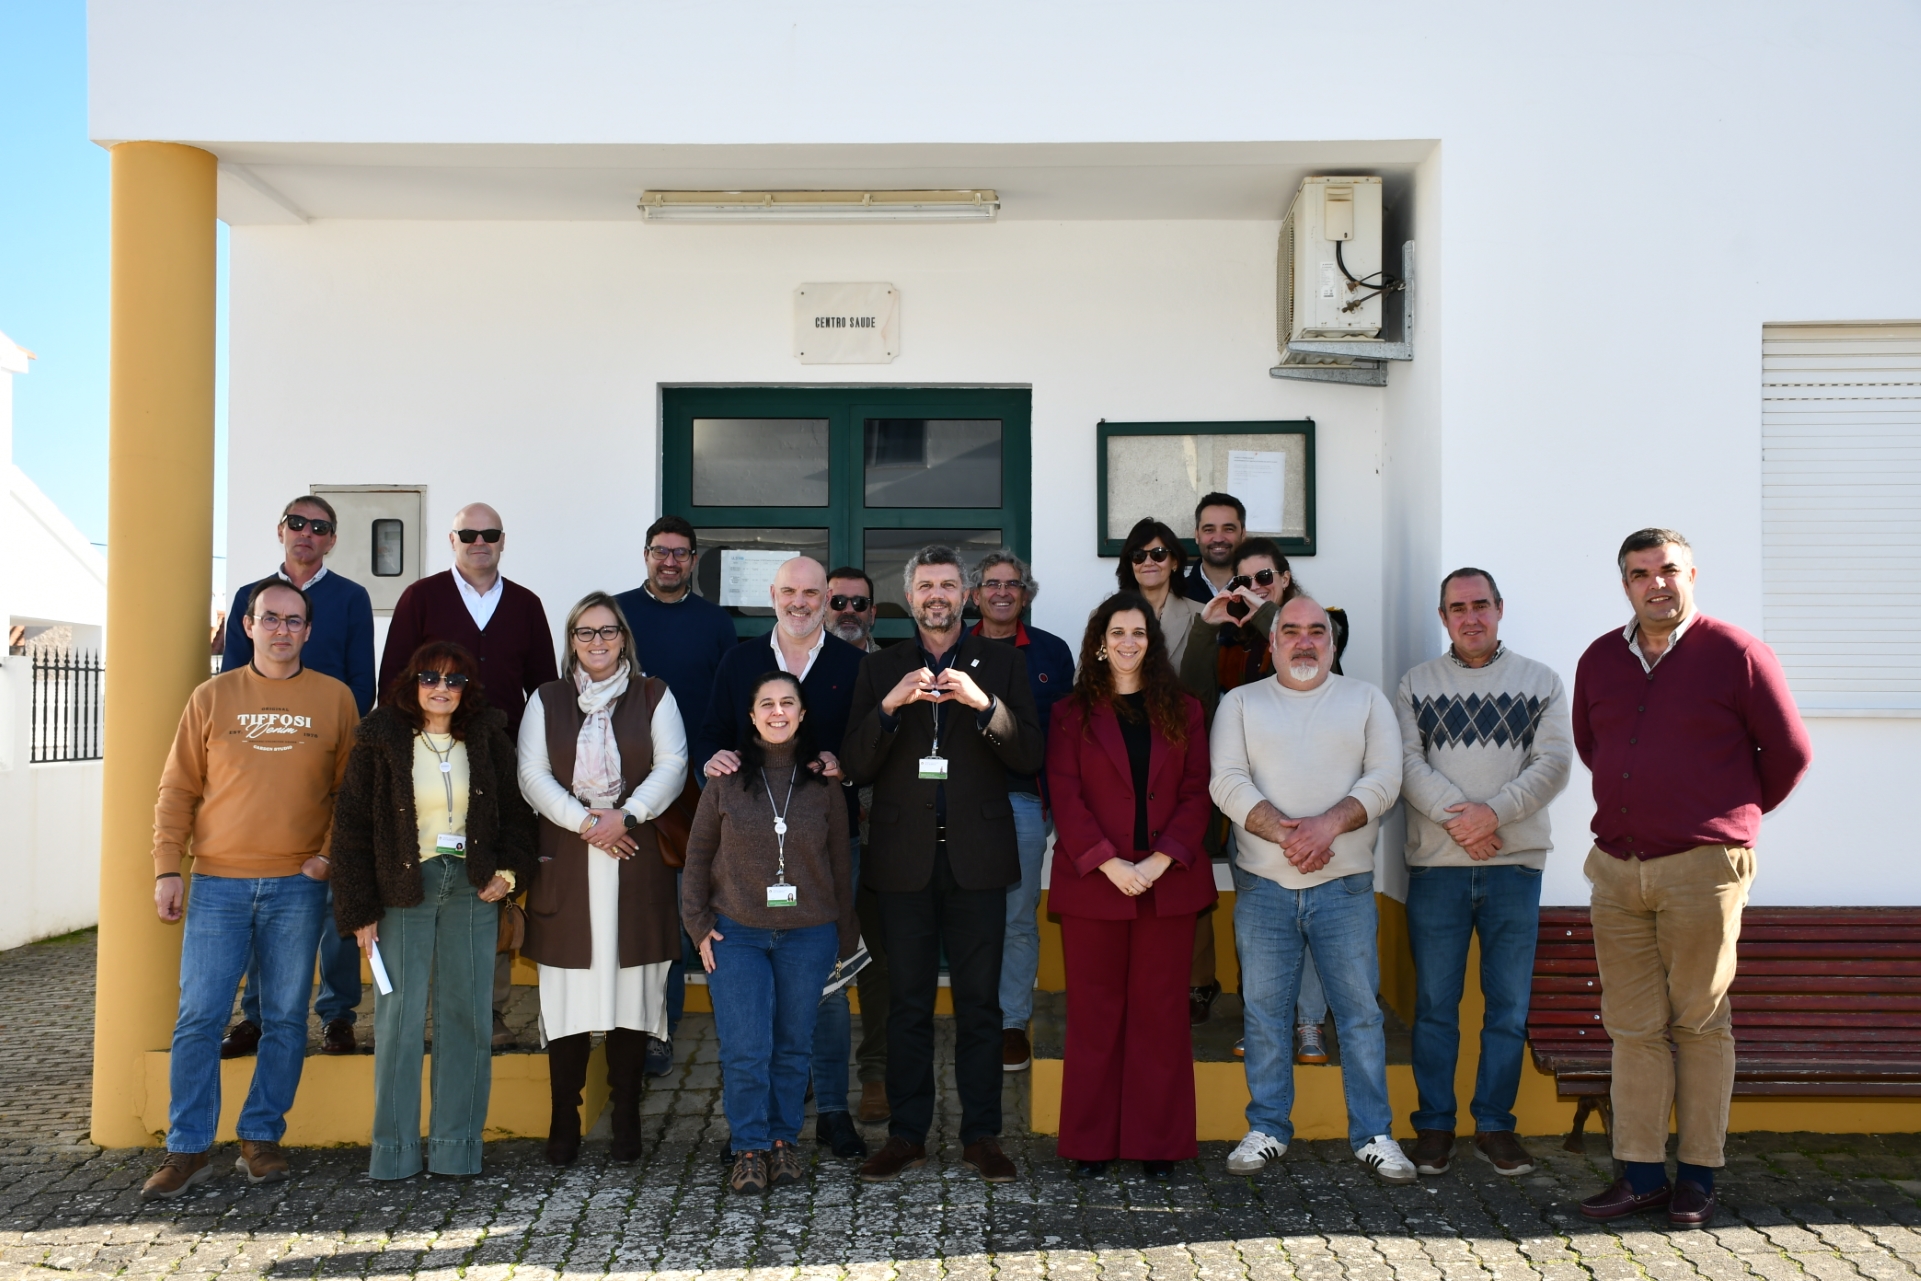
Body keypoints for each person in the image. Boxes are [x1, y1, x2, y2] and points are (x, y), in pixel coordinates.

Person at [1572, 530, 1811, 1228]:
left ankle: (1698, 1176)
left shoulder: (1733, 652)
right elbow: (1594, 746)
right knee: (1632, 1025)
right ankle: (1642, 1172)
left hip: (1701, 869)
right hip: (1616, 867)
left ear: (1690, 574)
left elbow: (1789, 752)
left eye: (1667, 570)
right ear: (1624, 584)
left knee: (1700, 1022)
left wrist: (1727, 817)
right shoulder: (1598, 658)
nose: (1656, 584)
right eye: (1639, 573)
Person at [140, 581, 359, 1201]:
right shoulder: (211, 697)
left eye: (294, 620)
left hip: (297, 885)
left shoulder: (336, 699)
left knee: (287, 1019)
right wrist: (166, 867)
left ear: (308, 631)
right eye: (271, 618)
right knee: (200, 1019)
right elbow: (177, 789)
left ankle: (261, 1137)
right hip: (217, 883)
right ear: (249, 624)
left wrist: (326, 857)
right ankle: (187, 1149)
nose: (282, 629)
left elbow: (351, 792)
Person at [841, 545, 1045, 1184]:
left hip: (978, 861)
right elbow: (856, 763)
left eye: (948, 585)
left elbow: (1028, 756)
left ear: (968, 595)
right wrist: (889, 707)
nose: (937, 595)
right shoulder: (881, 669)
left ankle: (981, 1134)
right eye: (925, 585)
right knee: (908, 1005)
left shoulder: (1004, 665)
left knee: (980, 1005)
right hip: (902, 863)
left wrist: (985, 706)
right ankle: (907, 1135)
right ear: (909, 596)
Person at [1209, 595, 1413, 1183]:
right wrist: (1285, 832)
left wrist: (1326, 826)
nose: (1304, 641)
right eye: (1291, 631)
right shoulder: (1240, 702)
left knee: (1359, 1016)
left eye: (1316, 631)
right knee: (1264, 1014)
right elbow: (1226, 781)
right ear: (1270, 644)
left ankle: (1373, 1134)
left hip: (1344, 888)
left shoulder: (1366, 700)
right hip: (1265, 886)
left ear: (1333, 642)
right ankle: (1268, 1128)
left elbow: (1385, 778)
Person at [330, 642, 538, 1180]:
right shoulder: (380, 738)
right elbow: (351, 827)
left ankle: (456, 1147)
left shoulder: (489, 738)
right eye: (429, 678)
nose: (440, 688)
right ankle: (393, 1154)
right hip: (403, 891)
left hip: (473, 888)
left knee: (466, 1019)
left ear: (468, 689)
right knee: (398, 1021)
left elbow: (517, 817)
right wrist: (359, 909)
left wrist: (509, 874)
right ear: (411, 683)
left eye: (453, 680)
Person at [1395, 569, 1573, 1180]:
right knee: (1435, 1006)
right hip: (1438, 871)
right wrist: (1465, 823)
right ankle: (1435, 1129)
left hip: (1515, 870)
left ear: (1500, 609)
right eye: (1457, 608)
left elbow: (1552, 765)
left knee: (1507, 1009)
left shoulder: (1541, 682)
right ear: (1443, 617)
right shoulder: (1416, 684)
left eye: (1480, 605)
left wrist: (1492, 814)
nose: (1470, 617)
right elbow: (1407, 763)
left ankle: (1496, 1125)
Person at [695, 555, 869, 1160]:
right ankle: (761, 1128)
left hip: (821, 841)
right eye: (789, 591)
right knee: (754, 1008)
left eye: (812, 592)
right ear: (772, 595)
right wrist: (710, 763)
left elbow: (869, 744)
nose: (800, 601)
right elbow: (713, 732)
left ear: (828, 597)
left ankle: (835, 1113)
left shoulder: (852, 665)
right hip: (749, 850)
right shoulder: (741, 661)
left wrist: (848, 766)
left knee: (824, 987)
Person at [516, 592, 689, 1165]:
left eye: (608, 632)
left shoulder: (653, 694)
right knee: (566, 997)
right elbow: (532, 774)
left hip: (634, 860)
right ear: (571, 641)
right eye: (585, 633)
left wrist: (627, 816)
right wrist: (589, 822)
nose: (597, 642)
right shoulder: (547, 699)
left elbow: (672, 765)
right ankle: (562, 1118)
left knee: (631, 997)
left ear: (624, 639)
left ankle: (626, 1121)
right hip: (568, 861)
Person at [380, 501, 560, 1050]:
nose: (479, 542)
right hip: (428, 757)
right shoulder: (421, 598)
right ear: (452, 540)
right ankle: (424, 1009)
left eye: (490, 534)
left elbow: (545, 690)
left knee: (490, 878)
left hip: (497, 762)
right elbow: (393, 678)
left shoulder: (526, 604)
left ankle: (489, 1009)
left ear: (503, 541)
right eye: (468, 533)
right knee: (428, 875)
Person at [1046, 592, 1213, 1179]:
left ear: (1152, 641)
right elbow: (1064, 797)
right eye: (1117, 632)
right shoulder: (1070, 714)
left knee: (1160, 1016)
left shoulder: (1184, 710)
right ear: (1099, 641)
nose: (1128, 642)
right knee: (1095, 1016)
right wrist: (1110, 864)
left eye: (1139, 632)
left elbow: (1198, 793)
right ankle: (1090, 1144)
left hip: (1167, 884)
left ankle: (1158, 1144)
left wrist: (1162, 860)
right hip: (1097, 884)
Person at [684, 672, 859, 1194]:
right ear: (753, 715)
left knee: (791, 1047)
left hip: (809, 936)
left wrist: (842, 938)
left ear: (803, 714)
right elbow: (696, 858)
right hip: (736, 934)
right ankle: (749, 1148)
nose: (777, 712)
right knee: (746, 1046)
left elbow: (838, 861)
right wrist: (698, 926)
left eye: (788, 703)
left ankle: (784, 1142)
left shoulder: (824, 781)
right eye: (767, 704)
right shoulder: (725, 778)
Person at [219, 496, 376, 1061]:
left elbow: (364, 685)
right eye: (298, 523)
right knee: (270, 895)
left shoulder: (352, 598)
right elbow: (233, 680)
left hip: (330, 762)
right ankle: (256, 1017)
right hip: (264, 764)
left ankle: (337, 1016)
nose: (307, 534)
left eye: (320, 527)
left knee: (336, 891)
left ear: (332, 539)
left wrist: (337, 745)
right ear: (280, 530)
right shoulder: (250, 597)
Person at [613, 515, 738, 1074]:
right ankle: (650, 1030)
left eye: (681, 554)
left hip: (701, 788)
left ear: (693, 560)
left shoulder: (715, 622)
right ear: (645, 555)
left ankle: (721, 1025)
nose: (670, 562)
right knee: (650, 912)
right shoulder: (615, 615)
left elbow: (730, 705)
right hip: (628, 787)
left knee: (705, 905)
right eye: (660, 552)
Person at [1176, 536, 1294, 1035]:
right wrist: (1208, 628)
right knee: (1255, 909)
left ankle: (1298, 1014)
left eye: (1264, 578)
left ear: (1285, 578)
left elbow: (1303, 658)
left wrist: (1262, 614)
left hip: (1302, 793)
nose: (1254, 590)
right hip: (1240, 791)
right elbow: (1191, 697)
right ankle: (1257, 1011)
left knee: (1298, 910)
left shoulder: (1320, 624)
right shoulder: (1229, 638)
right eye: (1243, 582)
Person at [967, 550, 1075, 1073]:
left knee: (1016, 917)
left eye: (1013, 584)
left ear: (1026, 594)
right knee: (963, 913)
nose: (1002, 592)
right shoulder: (953, 650)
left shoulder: (1052, 654)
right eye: (992, 584)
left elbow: (1067, 738)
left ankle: (1011, 1022)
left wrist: (1059, 803)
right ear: (975, 594)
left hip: (1025, 802)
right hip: (962, 803)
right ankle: (975, 1018)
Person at [825, 564, 892, 1123]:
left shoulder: (891, 667)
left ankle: (874, 1073)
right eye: (838, 602)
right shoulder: (803, 663)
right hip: (810, 839)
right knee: (811, 954)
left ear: (873, 611)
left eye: (860, 604)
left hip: (878, 836)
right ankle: (805, 1071)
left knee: (874, 960)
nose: (849, 613)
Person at [1115, 517, 1203, 669]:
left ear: (1174, 562)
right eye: (1138, 555)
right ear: (1131, 565)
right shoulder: (1104, 616)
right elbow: (1085, 680)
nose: (1148, 562)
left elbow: (1207, 684)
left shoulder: (1201, 616)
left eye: (1158, 554)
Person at [1180, 492, 1247, 603]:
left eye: (1228, 529)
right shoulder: (1177, 594)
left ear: (1243, 534)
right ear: (1197, 535)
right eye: (1209, 530)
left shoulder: (1259, 591)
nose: (1218, 539)